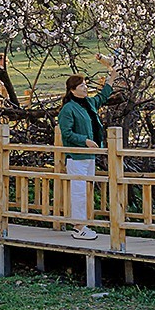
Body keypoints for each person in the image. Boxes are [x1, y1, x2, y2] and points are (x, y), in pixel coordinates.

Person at [58, 63, 118, 239]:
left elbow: (102, 96)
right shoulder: (68, 109)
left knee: (86, 192)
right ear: (72, 90)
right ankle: (78, 227)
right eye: (82, 85)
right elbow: (67, 134)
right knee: (78, 192)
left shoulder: (88, 104)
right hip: (76, 157)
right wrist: (84, 141)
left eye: (85, 84)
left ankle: (83, 225)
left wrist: (111, 78)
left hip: (90, 156)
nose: (85, 88)